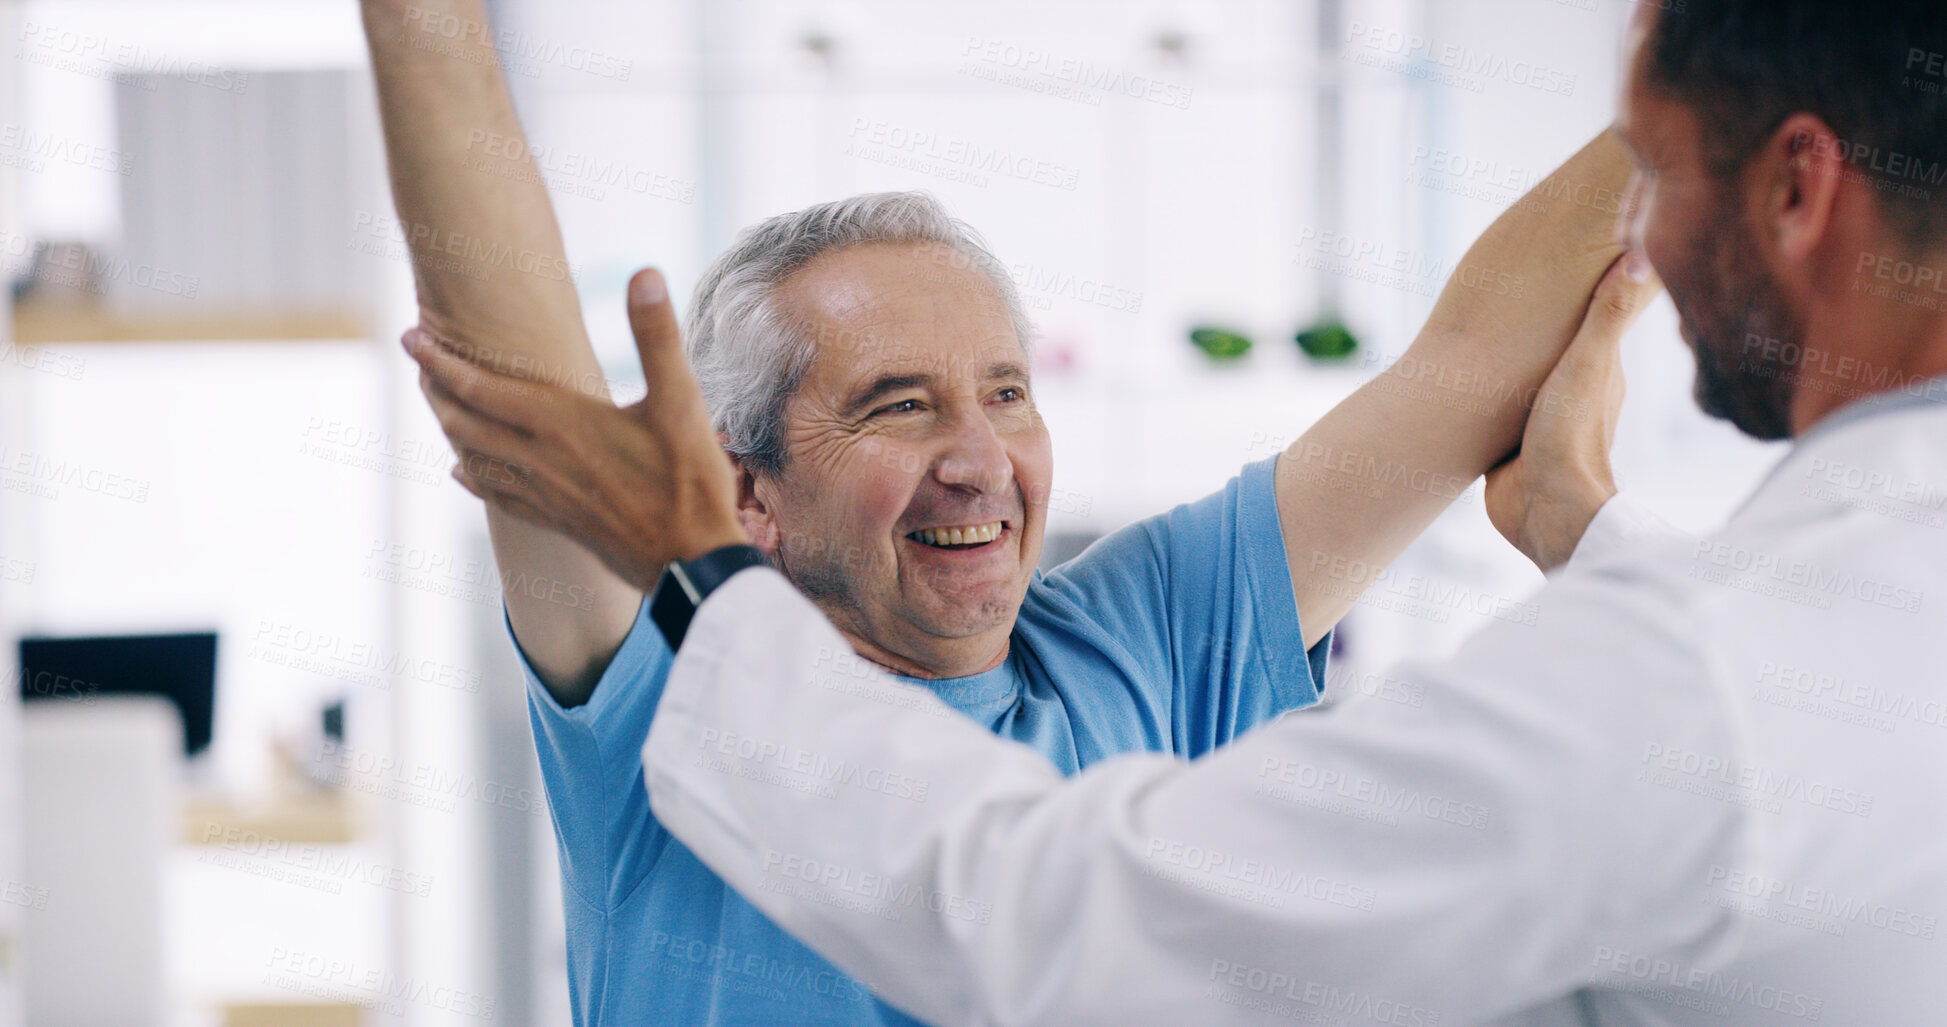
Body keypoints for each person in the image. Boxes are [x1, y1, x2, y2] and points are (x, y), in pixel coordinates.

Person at [418, 0, 1947, 1024]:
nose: (980, 458)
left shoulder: (1146, 631)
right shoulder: (660, 682)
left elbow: (1470, 362)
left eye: (1007, 392)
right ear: (743, 489)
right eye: (898, 406)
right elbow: (512, 361)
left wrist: (1736, 78)